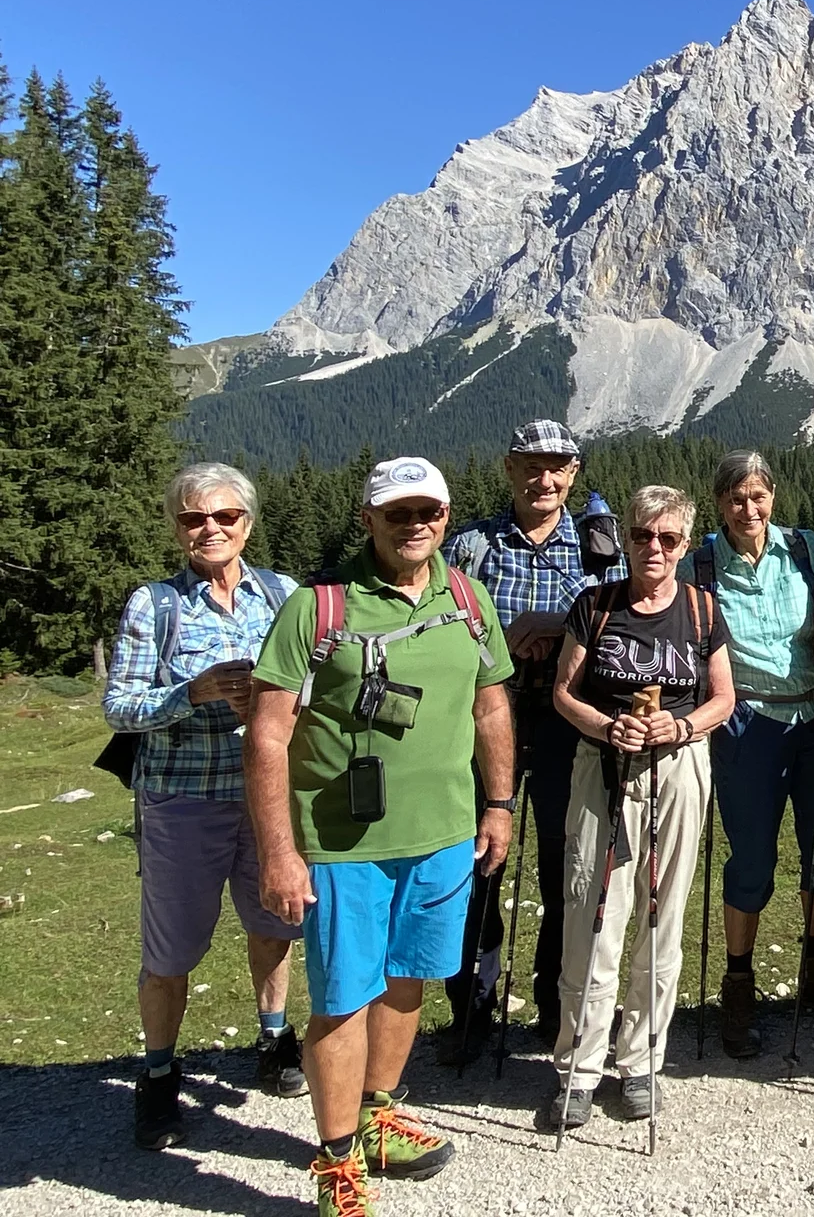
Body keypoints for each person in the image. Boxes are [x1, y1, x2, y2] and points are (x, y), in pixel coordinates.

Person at [247, 457, 515, 1217]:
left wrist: (497, 804)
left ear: (447, 515)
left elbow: (490, 708)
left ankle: (381, 1113)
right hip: (341, 845)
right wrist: (278, 851)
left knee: (408, 979)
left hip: (443, 837)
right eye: (397, 512)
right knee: (342, 997)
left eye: (428, 510)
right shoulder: (317, 606)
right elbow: (268, 735)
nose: (415, 524)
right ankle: (336, 1160)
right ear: (367, 519)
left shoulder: (467, 598)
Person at [103, 462, 305, 1151]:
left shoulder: (282, 595)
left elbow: (314, 683)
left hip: (267, 798)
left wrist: (287, 703)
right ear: (177, 527)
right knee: (171, 949)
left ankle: (275, 1038)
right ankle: (159, 1071)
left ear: (248, 523)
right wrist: (191, 692)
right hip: (181, 799)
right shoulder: (153, 604)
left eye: (224, 517)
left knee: (272, 923)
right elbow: (119, 705)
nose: (209, 529)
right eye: (194, 518)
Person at [545, 486, 733, 1129]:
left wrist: (679, 730)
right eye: (642, 537)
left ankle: (643, 1062)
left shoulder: (703, 610)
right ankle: (578, 1067)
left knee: (663, 915)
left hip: (678, 768)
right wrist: (605, 726)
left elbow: (722, 699)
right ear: (624, 539)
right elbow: (564, 694)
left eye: (669, 539)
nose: (654, 549)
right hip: (603, 767)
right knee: (593, 914)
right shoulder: (595, 606)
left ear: (685, 544)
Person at [440, 419, 625, 1061]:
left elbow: (628, 630)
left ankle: (554, 1000)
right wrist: (502, 636)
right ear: (510, 468)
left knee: (560, 863)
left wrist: (559, 625)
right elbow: (437, 629)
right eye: (531, 465)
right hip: (483, 717)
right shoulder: (470, 548)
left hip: (565, 721)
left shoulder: (600, 548)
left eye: (558, 467)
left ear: (573, 473)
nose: (544, 479)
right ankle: (471, 1004)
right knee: (472, 862)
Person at [681, 450, 814, 1059]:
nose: (747, 510)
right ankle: (738, 982)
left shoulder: (807, 550)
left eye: (757, 497)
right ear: (719, 504)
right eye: (735, 499)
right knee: (751, 858)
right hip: (746, 723)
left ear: (773, 497)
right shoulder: (700, 562)